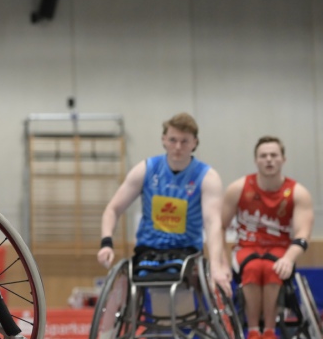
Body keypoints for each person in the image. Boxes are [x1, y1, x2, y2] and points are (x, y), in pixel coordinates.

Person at [96, 113, 232, 292]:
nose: (178, 147)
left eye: (184, 141)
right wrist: (106, 244)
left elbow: (212, 222)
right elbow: (113, 209)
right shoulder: (146, 169)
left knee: (179, 291)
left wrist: (216, 266)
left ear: (195, 143)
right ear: (164, 140)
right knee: (134, 283)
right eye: (173, 140)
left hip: (186, 252)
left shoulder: (207, 177)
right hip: (148, 251)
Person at [222, 136, 313, 339]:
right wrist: (221, 262)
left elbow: (303, 234)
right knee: (254, 267)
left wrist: (289, 258)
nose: (269, 160)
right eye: (263, 156)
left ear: (283, 159)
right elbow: (219, 226)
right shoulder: (238, 188)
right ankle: (254, 332)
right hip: (246, 247)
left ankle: (270, 332)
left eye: (274, 155)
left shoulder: (298, 192)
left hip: (280, 248)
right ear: (256, 160)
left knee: (273, 268)